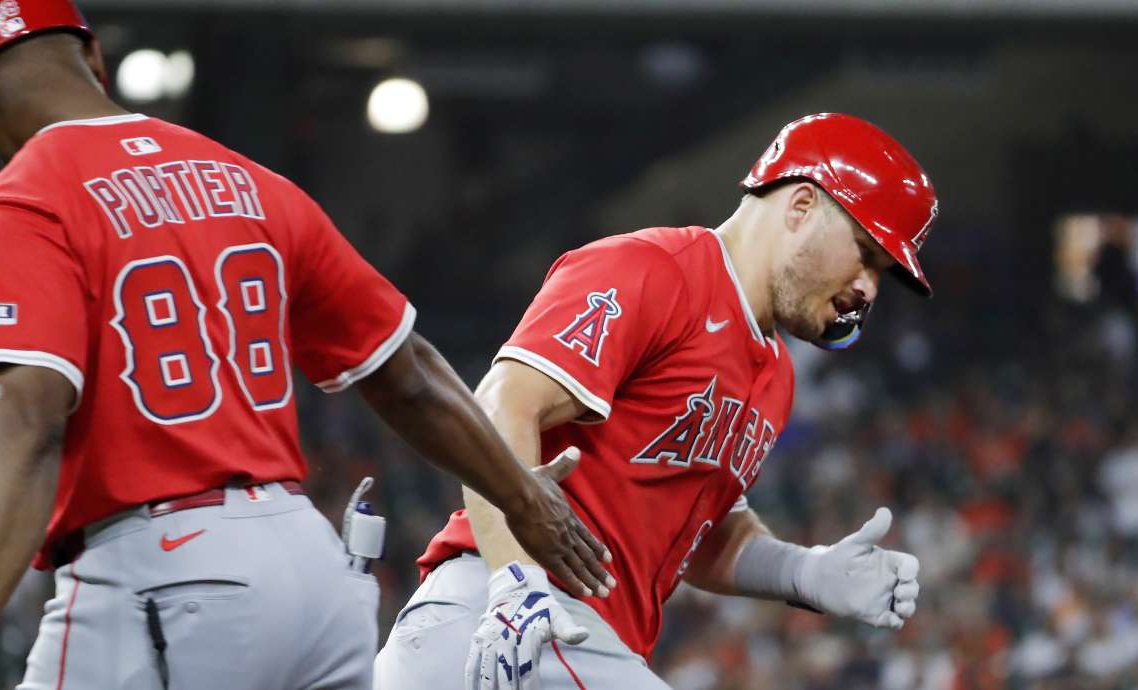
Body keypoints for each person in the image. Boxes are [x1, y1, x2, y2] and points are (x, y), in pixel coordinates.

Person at [0, 2, 614, 689]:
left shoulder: (20, 207)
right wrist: (521, 495)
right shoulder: (251, 182)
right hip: (313, 571)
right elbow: (408, 372)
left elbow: (27, 414)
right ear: (95, 58)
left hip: (164, 575)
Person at [375, 112, 935, 690]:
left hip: (575, 641)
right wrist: (514, 584)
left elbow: (700, 538)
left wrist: (806, 572)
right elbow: (501, 406)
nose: (869, 287)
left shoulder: (775, 375)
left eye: (882, 272)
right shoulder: (654, 270)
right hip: (507, 616)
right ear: (800, 207)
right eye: (866, 253)